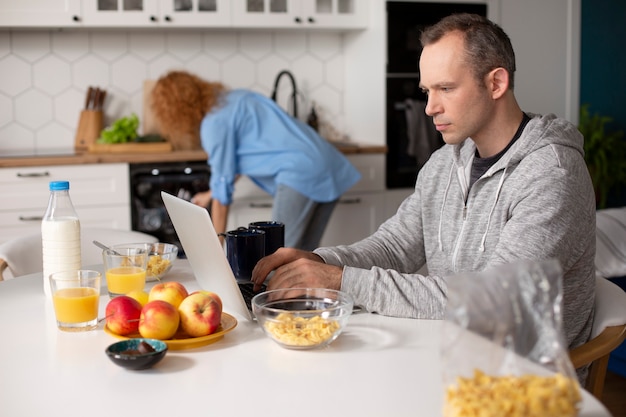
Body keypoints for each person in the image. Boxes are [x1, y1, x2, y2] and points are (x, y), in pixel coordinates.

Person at [252, 13, 596, 368]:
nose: (430, 107)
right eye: (426, 91)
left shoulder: (551, 173)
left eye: (445, 88)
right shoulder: (445, 163)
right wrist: (321, 262)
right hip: (448, 354)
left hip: (520, 382)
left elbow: (495, 301)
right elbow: (395, 247)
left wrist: (342, 281)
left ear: (496, 83)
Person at [150, 70, 361, 251]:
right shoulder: (235, 98)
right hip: (327, 161)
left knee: (277, 257)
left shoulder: (213, 125)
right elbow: (238, 160)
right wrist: (209, 195)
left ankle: (275, 298)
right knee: (305, 257)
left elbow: (223, 198)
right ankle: (300, 298)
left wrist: (216, 247)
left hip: (299, 171)